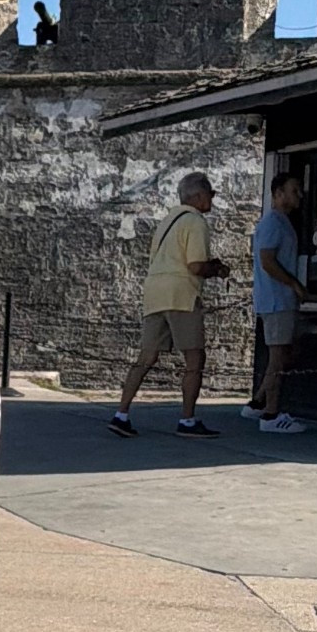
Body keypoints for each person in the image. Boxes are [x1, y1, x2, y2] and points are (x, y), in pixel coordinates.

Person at [110, 171, 230, 438]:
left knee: (146, 357)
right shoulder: (196, 221)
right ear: (198, 196)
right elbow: (195, 265)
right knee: (194, 357)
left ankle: (121, 413)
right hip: (181, 294)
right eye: (209, 194)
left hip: (154, 292)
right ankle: (187, 420)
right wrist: (217, 269)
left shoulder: (167, 221)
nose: (211, 200)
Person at [239, 171, 309, 435]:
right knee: (278, 357)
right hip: (277, 300)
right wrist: (293, 283)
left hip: (280, 299)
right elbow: (267, 260)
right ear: (277, 194)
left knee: (284, 354)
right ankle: (271, 414)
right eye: (293, 190)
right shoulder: (272, 223)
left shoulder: (282, 222)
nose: (298, 195)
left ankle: (258, 402)